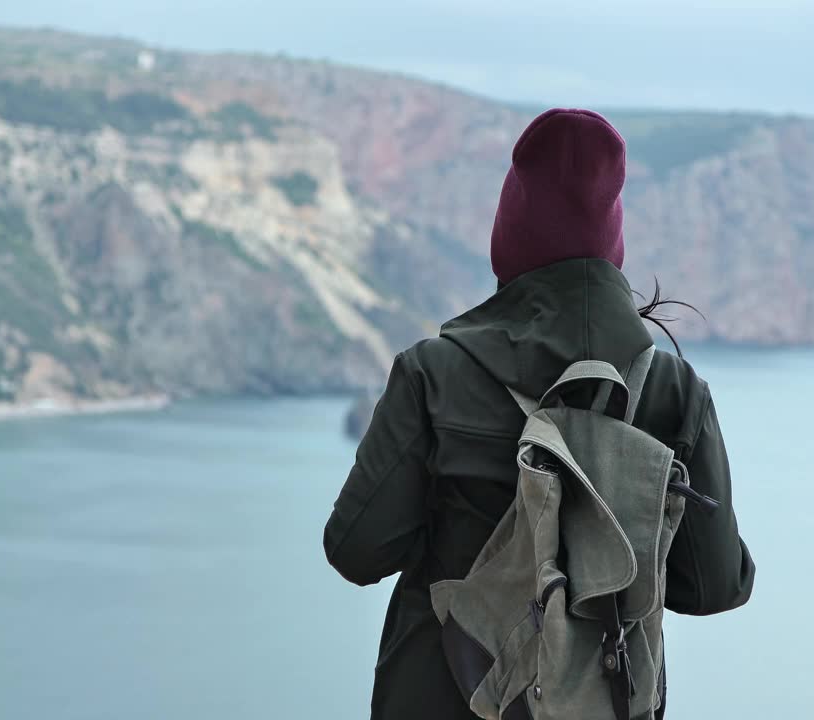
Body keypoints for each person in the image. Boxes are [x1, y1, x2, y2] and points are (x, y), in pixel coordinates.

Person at [323, 108, 755, 720]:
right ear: (612, 242)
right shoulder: (674, 389)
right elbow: (714, 587)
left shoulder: (434, 373)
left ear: (510, 232)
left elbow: (356, 551)